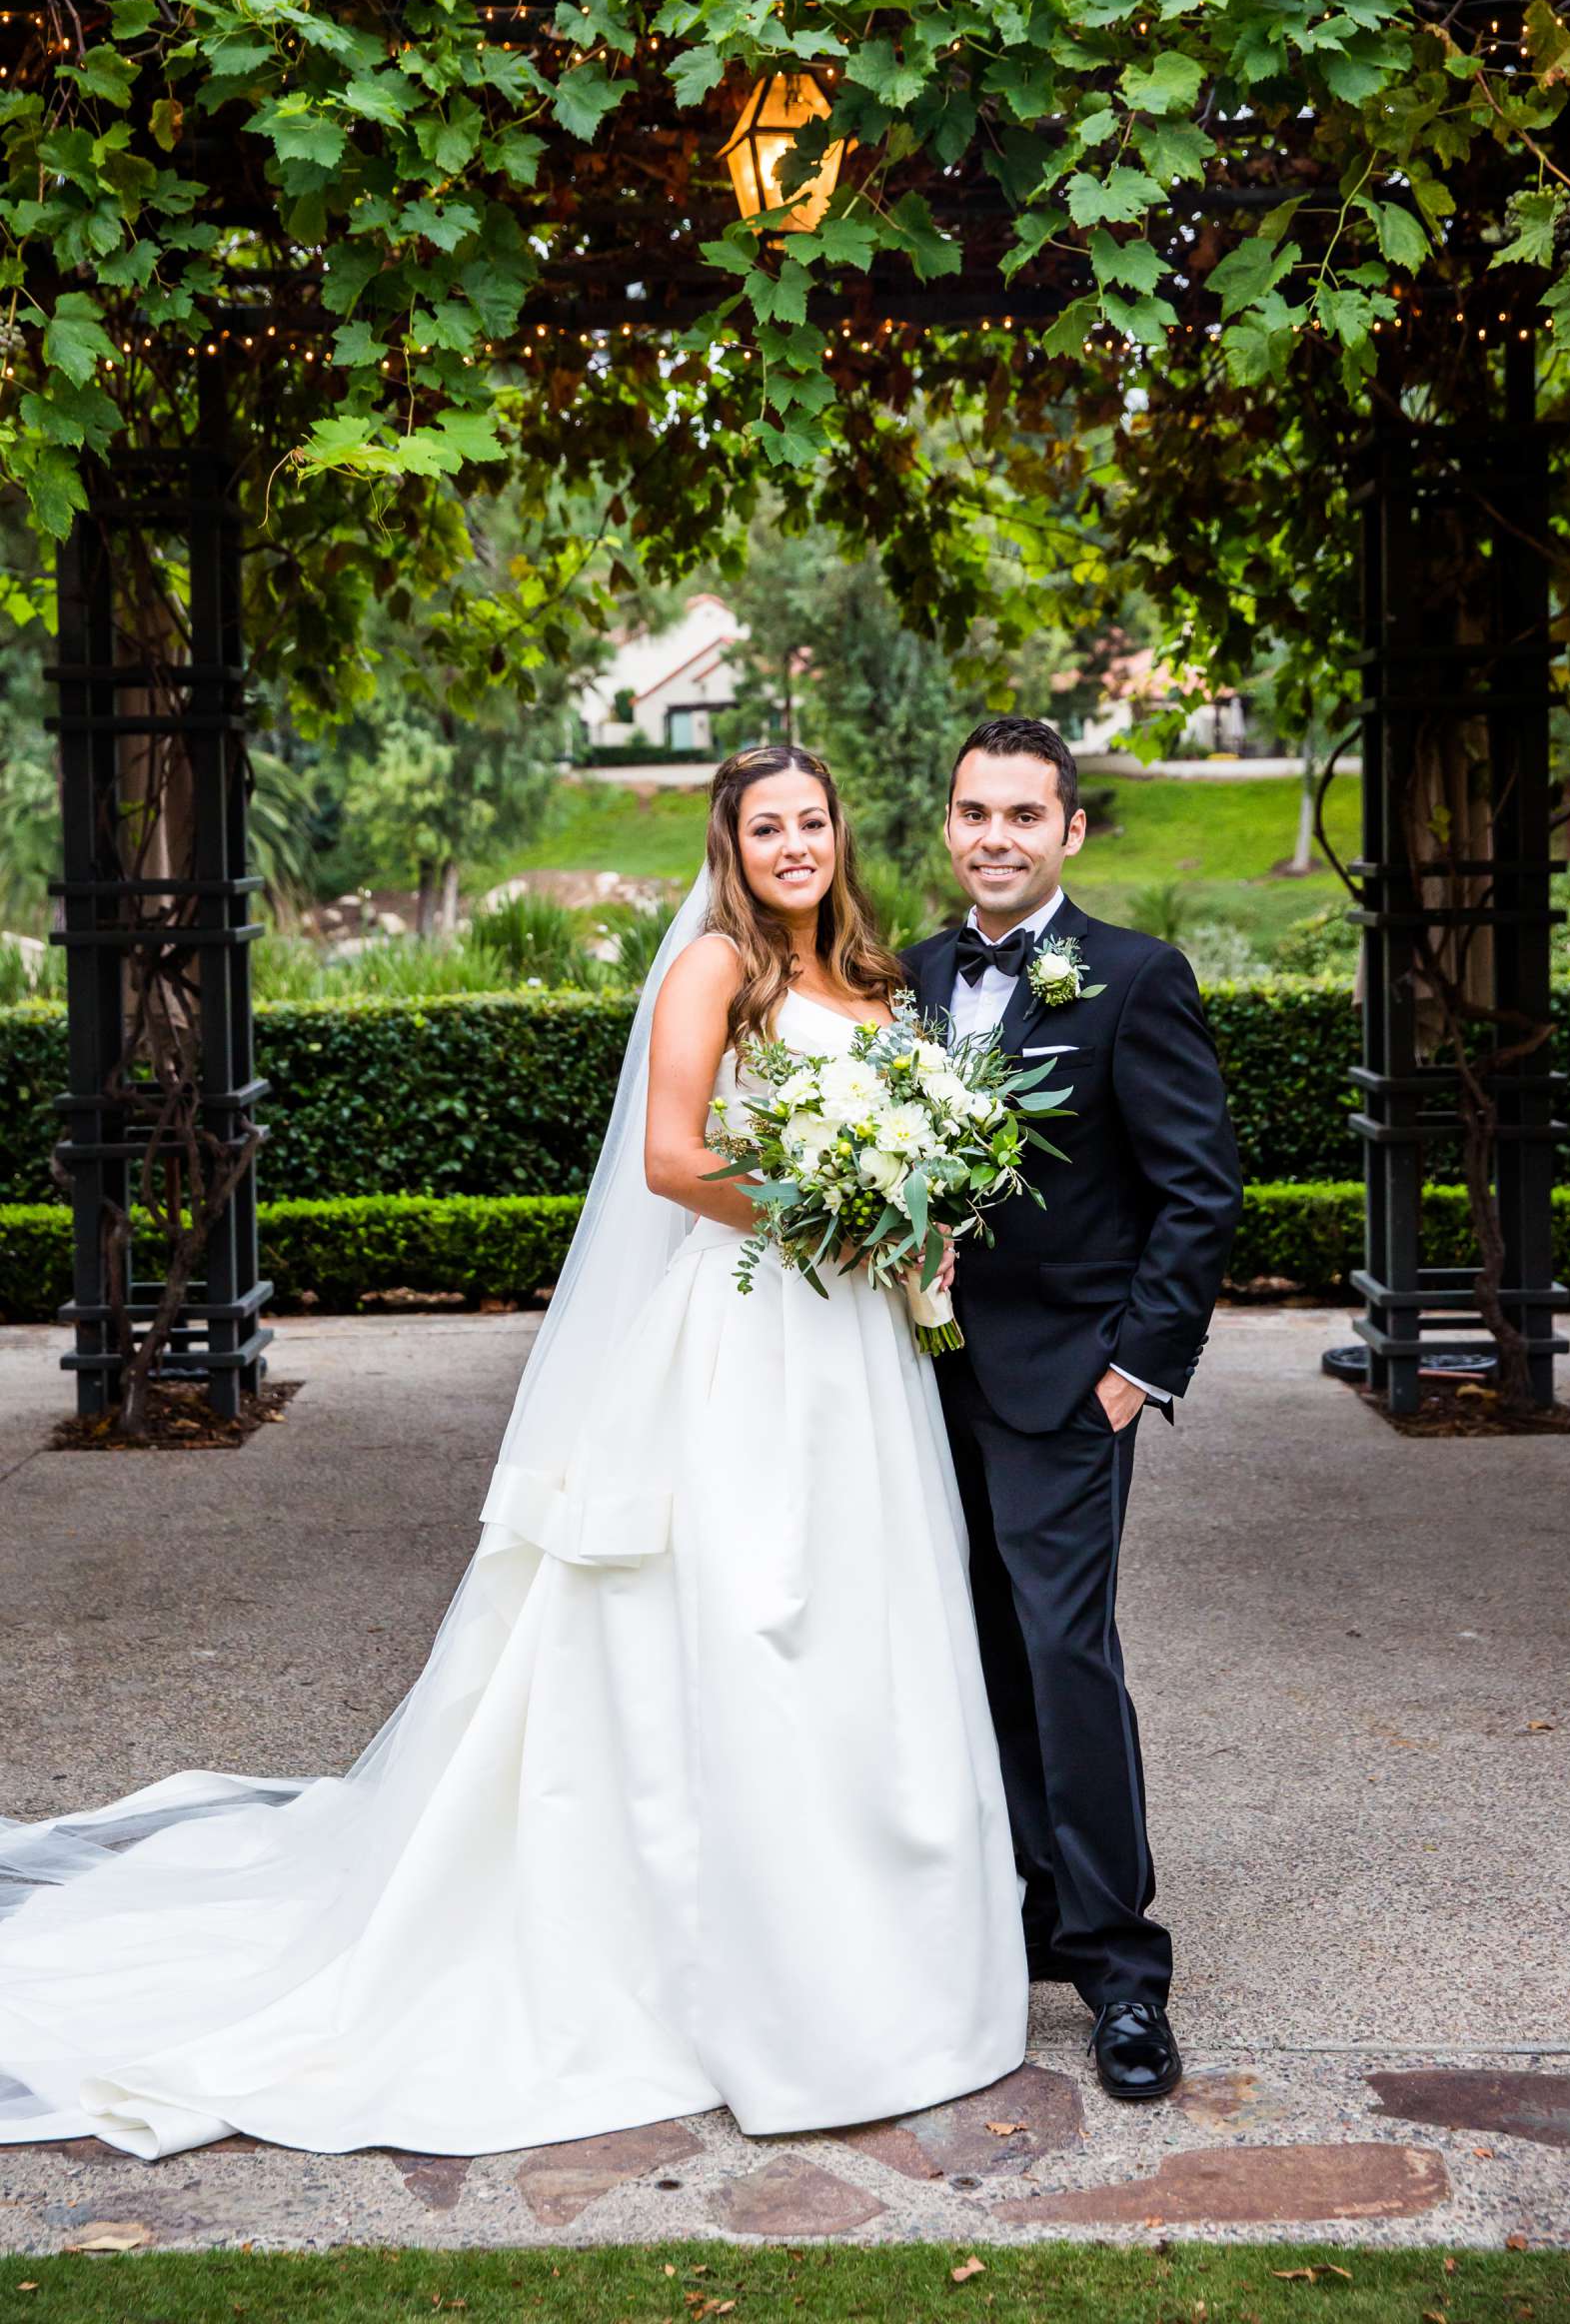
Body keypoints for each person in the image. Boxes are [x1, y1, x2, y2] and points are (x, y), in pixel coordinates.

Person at [0, 743, 1028, 2161]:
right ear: (733, 848)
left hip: (860, 1353)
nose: (795, 844)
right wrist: (832, 1209)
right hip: (749, 1338)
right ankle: (745, 1967)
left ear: (843, 833)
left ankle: (887, 1948)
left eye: (813, 821)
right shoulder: (715, 972)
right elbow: (673, 1159)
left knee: (870, 1624)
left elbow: (905, 1149)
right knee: (744, 1622)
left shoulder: (877, 980)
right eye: (767, 827)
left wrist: (915, 1210)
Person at [900, 716, 1244, 2103]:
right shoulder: (910, 980)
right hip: (918, 1379)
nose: (995, 836)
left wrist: (1137, 1368)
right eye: (974, 813)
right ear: (948, 827)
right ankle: (1024, 1908)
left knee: (1065, 1655)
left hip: (1066, 1388)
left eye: (1022, 816)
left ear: (1069, 832)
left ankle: (1121, 1965)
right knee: (964, 1653)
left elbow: (1198, 1191)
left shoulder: (1136, 977)